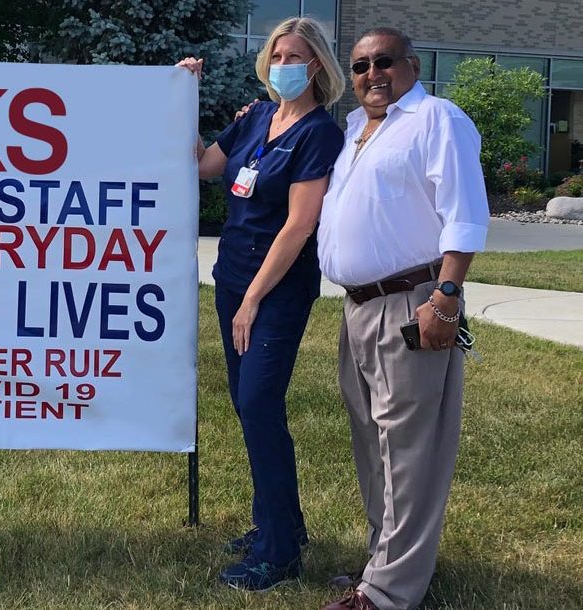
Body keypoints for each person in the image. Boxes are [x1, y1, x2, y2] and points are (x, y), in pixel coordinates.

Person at [316, 27, 489, 610]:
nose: (372, 74)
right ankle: (383, 563)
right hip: (357, 306)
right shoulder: (356, 131)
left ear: (411, 64)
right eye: (361, 66)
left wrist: (445, 298)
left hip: (411, 302)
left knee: (411, 448)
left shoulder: (437, 119)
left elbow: (463, 214)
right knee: (373, 444)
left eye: (383, 61)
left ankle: (390, 592)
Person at [177, 16, 345, 591]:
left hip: (275, 292)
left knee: (260, 405)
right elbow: (202, 165)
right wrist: (185, 96)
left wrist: (252, 300)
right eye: (275, 55)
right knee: (250, 410)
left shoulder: (320, 132)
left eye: (293, 56)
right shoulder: (256, 118)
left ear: (316, 64)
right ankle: (278, 525)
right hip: (233, 280)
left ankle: (280, 554)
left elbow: (300, 224)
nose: (282, 66)